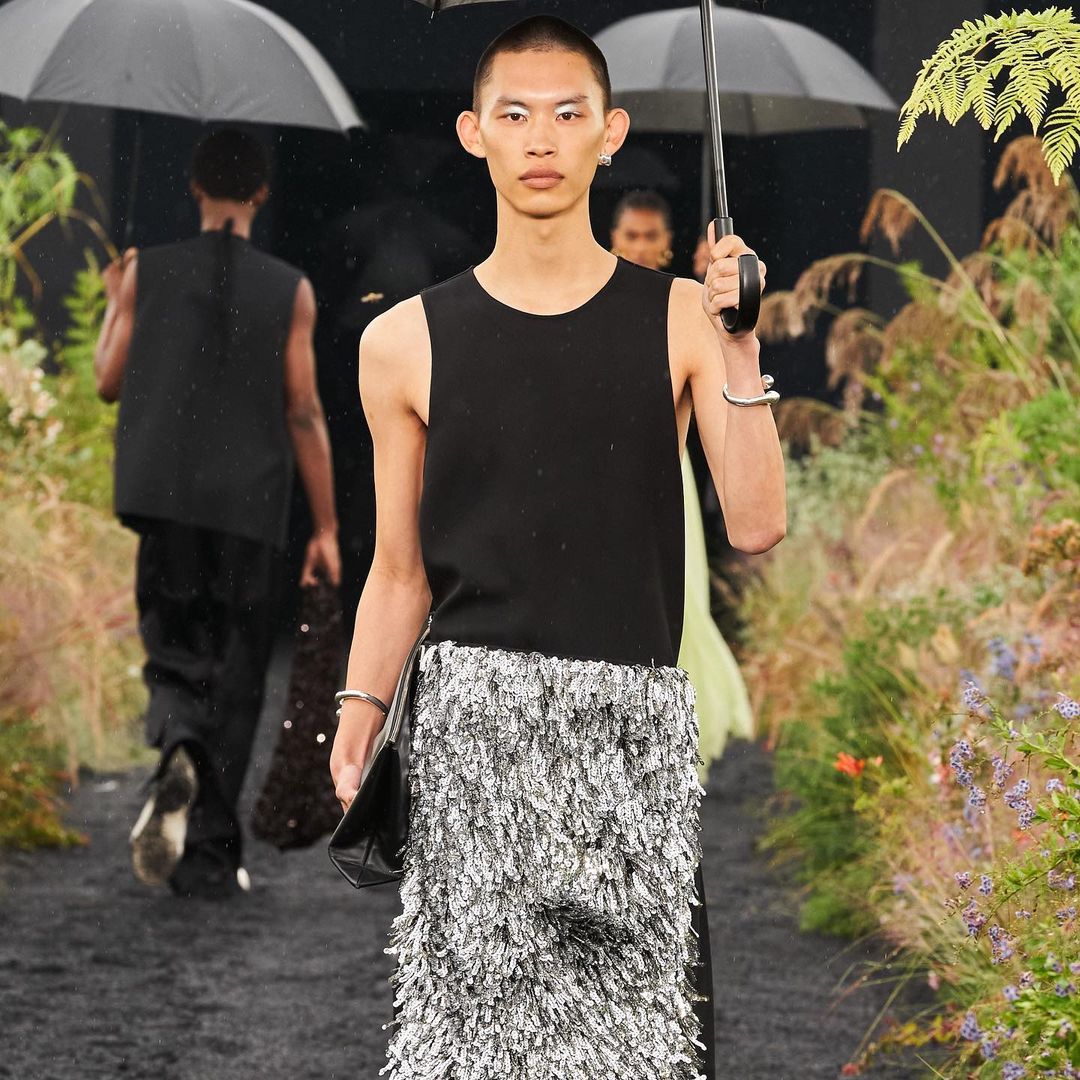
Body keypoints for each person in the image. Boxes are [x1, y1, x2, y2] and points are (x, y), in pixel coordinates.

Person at [330, 16, 784, 1079]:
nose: (541, 138)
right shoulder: (400, 343)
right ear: (474, 133)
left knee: (639, 1048)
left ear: (609, 133)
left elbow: (756, 522)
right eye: (516, 114)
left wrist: (740, 345)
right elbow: (398, 568)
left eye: (569, 113)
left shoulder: (684, 317)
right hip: (472, 745)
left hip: (630, 750)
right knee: (474, 1049)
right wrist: (358, 710)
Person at [94, 128, 341, 900]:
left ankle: (179, 742)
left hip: (164, 498)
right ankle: (208, 854)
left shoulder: (148, 270)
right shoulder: (291, 289)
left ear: (195, 187)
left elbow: (107, 380)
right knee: (238, 671)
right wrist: (327, 527)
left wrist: (116, 301)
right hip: (250, 502)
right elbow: (303, 410)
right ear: (262, 193)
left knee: (172, 649)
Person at [610, 191, 756, 772]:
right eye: (631, 235)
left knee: (681, 599)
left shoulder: (688, 303)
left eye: (650, 236)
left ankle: (682, 729)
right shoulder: (594, 297)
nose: (640, 246)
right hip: (602, 473)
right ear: (614, 238)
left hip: (666, 473)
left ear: (667, 243)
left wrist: (715, 295)